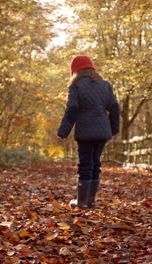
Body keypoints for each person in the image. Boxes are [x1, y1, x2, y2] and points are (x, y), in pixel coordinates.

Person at [57, 55, 120, 209]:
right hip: (102, 131)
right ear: (91, 68)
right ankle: (90, 201)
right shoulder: (105, 85)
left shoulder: (76, 86)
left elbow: (72, 109)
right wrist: (114, 129)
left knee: (85, 164)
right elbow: (114, 108)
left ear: (75, 71)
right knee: (95, 164)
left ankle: (82, 202)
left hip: (85, 130)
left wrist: (63, 132)